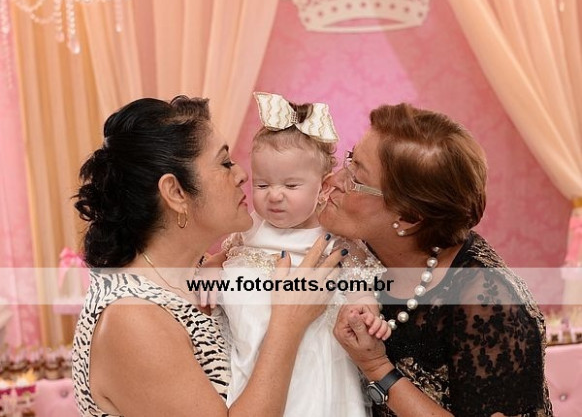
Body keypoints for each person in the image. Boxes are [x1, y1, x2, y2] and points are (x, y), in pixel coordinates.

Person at [71, 95, 346, 417]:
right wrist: (287, 325)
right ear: (176, 192)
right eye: (225, 163)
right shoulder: (132, 317)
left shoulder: (209, 270)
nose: (242, 175)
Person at [321, 103, 553, 417]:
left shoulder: (489, 304)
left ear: (408, 217)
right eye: (350, 159)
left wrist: (377, 368)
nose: (333, 180)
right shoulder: (357, 251)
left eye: (355, 178)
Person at [219, 92, 388, 417]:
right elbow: (221, 261)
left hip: (319, 362)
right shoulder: (250, 228)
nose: (274, 196)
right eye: (262, 185)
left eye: (290, 186)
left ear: (323, 187)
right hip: (257, 355)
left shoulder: (334, 237)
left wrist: (366, 313)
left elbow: (361, 286)